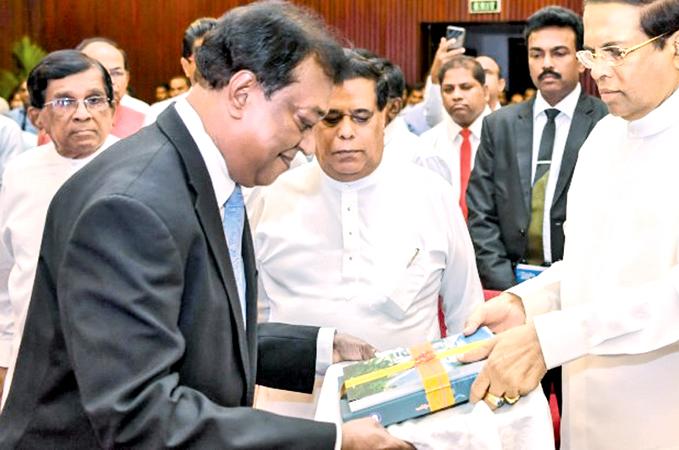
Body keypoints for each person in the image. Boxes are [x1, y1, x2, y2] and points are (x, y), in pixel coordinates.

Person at [0, 3, 410, 449]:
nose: (310, 146)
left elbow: (191, 328)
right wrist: (333, 442)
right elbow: (140, 415)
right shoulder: (132, 206)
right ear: (242, 92)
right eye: (303, 122)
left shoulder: (198, 174)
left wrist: (317, 348)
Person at [461, 1, 679, 449]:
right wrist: (528, 303)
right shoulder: (604, 136)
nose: (598, 72)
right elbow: (589, 266)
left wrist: (552, 338)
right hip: (589, 417)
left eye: (616, 52)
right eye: (591, 54)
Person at [250, 50, 482, 351]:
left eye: (361, 117)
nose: (345, 132)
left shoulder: (431, 194)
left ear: (386, 116)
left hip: (413, 393)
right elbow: (250, 318)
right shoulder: (271, 195)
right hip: (293, 395)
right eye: (330, 119)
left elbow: (465, 313)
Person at [466, 5, 607, 412]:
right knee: (517, 418)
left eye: (559, 52)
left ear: (581, 59)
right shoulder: (501, 124)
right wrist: (510, 290)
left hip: (579, 301)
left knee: (581, 414)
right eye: (536, 53)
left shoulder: (607, 123)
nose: (546, 64)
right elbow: (481, 211)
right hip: (512, 296)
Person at [0, 50, 119, 403]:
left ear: (112, 108)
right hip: (33, 359)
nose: (83, 114)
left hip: (117, 363)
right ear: (36, 116)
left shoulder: (139, 168)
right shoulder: (21, 173)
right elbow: (7, 271)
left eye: (94, 100)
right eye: (65, 102)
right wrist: (5, 355)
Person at [419, 56, 491, 219]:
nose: (456, 95)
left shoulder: (504, 136)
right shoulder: (427, 144)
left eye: (466, 87)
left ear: (485, 92)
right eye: (448, 89)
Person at [145, 18, 218, 125]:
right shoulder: (159, 116)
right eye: (202, 57)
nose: (213, 63)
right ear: (185, 66)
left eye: (220, 55)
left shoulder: (248, 111)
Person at [77, 37, 147, 138]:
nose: (110, 82)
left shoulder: (145, 116)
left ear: (127, 78)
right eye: (99, 71)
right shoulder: (57, 118)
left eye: (116, 73)